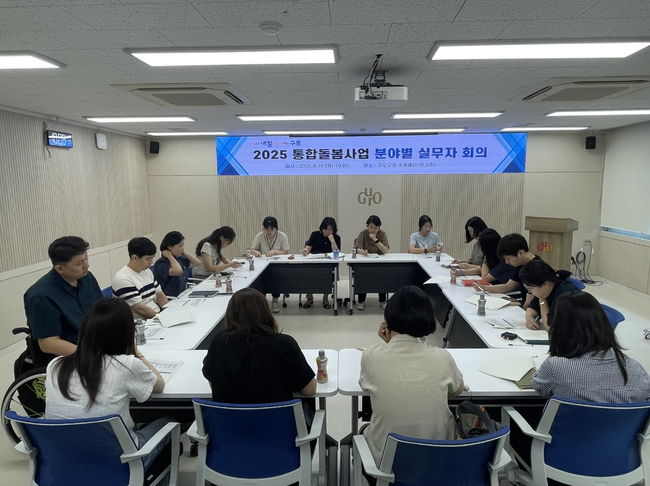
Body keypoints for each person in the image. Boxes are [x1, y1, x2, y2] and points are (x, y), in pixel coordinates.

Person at [45, 298, 170, 477]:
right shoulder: (127, 364)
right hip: (116, 462)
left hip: (65, 460)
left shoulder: (56, 365)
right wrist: (136, 353)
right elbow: (159, 386)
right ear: (127, 334)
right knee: (167, 423)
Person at [359, 286, 464, 475]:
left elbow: (366, 385)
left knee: (363, 431)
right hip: (436, 463)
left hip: (387, 467)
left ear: (387, 321)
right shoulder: (442, 357)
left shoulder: (370, 356)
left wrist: (388, 344)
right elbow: (457, 389)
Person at [202, 288, 316, 403]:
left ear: (230, 314)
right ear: (265, 312)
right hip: (275, 415)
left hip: (228, 415)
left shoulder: (219, 342)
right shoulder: (284, 344)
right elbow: (309, 390)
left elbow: (213, 383)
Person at [533, 291, 650, 402]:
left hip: (572, 417)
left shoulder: (554, 366)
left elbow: (539, 386)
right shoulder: (635, 369)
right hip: (622, 418)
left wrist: (556, 351)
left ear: (560, 328)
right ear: (603, 323)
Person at [24, 236, 102, 366]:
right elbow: (49, 343)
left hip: (96, 345)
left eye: (86, 258)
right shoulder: (40, 296)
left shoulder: (86, 277)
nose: (86, 265)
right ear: (60, 268)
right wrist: (93, 355)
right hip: (70, 359)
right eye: (79, 263)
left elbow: (101, 311)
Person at [112, 237, 168, 318]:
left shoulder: (147, 271)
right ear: (135, 258)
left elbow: (159, 295)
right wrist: (162, 318)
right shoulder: (123, 279)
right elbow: (141, 309)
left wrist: (169, 312)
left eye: (152, 258)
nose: (151, 262)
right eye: (148, 259)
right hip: (140, 322)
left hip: (155, 316)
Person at [519, 259, 580, 330]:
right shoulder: (546, 290)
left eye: (530, 288)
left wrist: (542, 300)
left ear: (545, 283)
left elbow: (551, 327)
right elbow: (531, 308)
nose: (530, 292)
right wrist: (530, 318)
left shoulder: (565, 294)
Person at [480, 233, 539, 301]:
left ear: (520, 252)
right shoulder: (521, 264)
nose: (506, 262)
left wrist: (525, 307)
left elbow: (539, 299)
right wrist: (484, 287)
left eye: (508, 258)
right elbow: (508, 286)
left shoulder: (537, 268)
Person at [249, 216, 290, 313]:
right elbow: (252, 250)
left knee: (276, 276)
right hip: (263, 263)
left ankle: (275, 300)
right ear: (263, 228)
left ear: (276, 229)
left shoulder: (282, 236)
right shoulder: (260, 235)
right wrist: (256, 252)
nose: (269, 232)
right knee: (258, 278)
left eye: (272, 229)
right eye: (266, 229)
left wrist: (275, 251)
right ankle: (262, 301)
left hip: (278, 264)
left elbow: (286, 251)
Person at [301, 217, 341, 309]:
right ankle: (309, 299)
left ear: (334, 230)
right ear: (321, 228)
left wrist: (332, 241)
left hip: (328, 265)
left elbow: (336, 254)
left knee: (328, 274)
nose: (327, 231)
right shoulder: (315, 234)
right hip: (313, 263)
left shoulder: (337, 238)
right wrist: (305, 250)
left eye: (330, 230)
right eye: (325, 229)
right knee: (308, 274)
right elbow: (308, 247)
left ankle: (325, 299)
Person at [453, 229, 517, 285]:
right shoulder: (494, 257)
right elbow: (480, 269)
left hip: (500, 292)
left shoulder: (504, 260)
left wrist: (485, 258)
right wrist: (461, 272)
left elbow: (484, 278)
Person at [355, 215, 390, 310]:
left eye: (376, 228)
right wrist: (362, 252)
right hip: (365, 262)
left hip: (380, 263)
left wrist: (375, 239)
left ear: (379, 227)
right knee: (362, 275)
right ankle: (361, 301)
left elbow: (385, 250)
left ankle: (382, 301)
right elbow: (357, 249)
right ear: (367, 226)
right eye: (371, 227)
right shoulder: (363, 233)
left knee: (382, 276)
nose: (373, 230)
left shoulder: (382, 234)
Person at [152, 231, 202, 297]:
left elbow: (197, 263)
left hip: (181, 296)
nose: (182, 248)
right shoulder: (161, 263)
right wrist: (169, 256)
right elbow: (178, 271)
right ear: (169, 246)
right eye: (180, 246)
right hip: (170, 299)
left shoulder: (179, 259)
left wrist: (184, 252)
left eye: (183, 246)